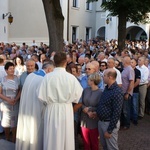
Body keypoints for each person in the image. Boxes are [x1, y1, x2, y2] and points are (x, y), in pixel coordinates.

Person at [38, 51, 83, 150]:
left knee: (51, 136)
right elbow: (78, 95)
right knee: (66, 135)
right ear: (66, 62)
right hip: (66, 108)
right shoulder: (71, 78)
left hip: (51, 109)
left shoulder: (47, 77)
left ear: (54, 62)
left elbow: (40, 95)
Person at [16, 61, 55, 150]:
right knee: (35, 132)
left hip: (26, 107)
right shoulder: (44, 79)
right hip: (36, 109)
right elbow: (45, 98)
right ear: (49, 69)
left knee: (26, 129)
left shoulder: (30, 75)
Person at [96, 69, 123, 150]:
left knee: (112, 147)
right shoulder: (107, 88)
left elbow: (117, 112)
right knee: (105, 147)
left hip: (109, 124)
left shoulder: (117, 91)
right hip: (102, 122)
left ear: (110, 77)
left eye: (104, 76)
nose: (102, 78)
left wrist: (110, 130)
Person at [80, 73, 102, 150]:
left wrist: (90, 110)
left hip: (93, 120)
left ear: (93, 81)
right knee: (86, 142)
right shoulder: (85, 90)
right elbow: (81, 103)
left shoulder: (100, 92)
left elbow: (100, 106)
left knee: (94, 142)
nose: (87, 81)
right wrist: (84, 109)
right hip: (84, 120)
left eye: (89, 79)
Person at [0, 62, 20, 142]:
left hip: (15, 104)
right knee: (5, 123)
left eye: (13, 68)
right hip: (5, 104)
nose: (12, 70)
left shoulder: (17, 79)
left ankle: (14, 139)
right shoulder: (2, 79)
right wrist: (7, 99)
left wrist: (16, 99)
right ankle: (7, 138)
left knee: (14, 123)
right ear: (6, 70)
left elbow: (20, 90)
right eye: (10, 69)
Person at [121, 56, 134, 130]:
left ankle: (127, 124)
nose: (122, 62)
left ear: (125, 62)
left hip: (126, 93)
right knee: (123, 109)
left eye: (123, 60)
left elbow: (131, 82)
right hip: (122, 92)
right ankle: (123, 123)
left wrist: (128, 93)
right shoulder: (125, 69)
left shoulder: (130, 70)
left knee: (126, 109)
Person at [130, 59, 141, 125]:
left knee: (134, 105)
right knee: (129, 105)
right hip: (129, 90)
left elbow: (137, 81)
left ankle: (135, 118)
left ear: (135, 63)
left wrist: (131, 88)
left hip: (135, 91)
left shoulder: (137, 71)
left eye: (132, 62)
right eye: (130, 62)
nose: (131, 63)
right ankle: (130, 117)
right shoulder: (128, 70)